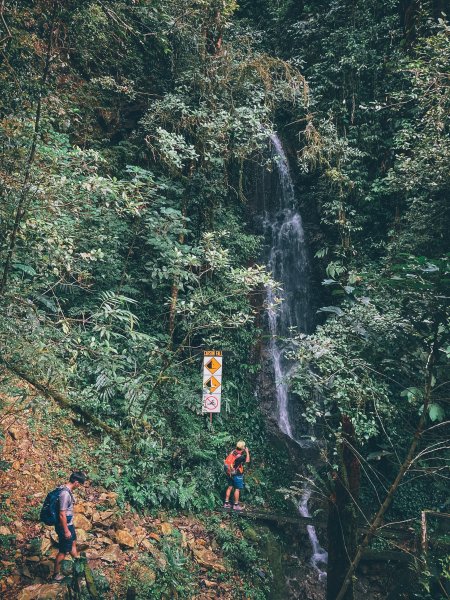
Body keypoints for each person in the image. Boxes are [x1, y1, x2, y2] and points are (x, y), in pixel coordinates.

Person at [53, 471, 87, 582]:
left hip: (69, 524)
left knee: (73, 543)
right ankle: (56, 575)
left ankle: (78, 567)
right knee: (63, 551)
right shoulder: (65, 494)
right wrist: (66, 530)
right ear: (76, 482)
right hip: (64, 526)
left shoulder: (65, 489)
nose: (80, 486)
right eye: (80, 484)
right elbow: (62, 514)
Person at [223, 441, 250, 511]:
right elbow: (247, 460)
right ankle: (236, 505)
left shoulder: (233, 452)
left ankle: (226, 503)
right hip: (237, 474)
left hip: (229, 473)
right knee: (237, 489)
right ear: (243, 448)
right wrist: (247, 452)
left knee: (230, 487)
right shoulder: (241, 457)